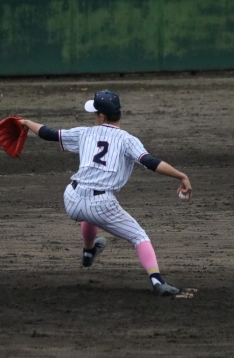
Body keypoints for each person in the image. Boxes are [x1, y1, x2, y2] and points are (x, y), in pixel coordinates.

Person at [19, 90, 193, 296]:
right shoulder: (127, 140)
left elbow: (48, 133)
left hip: (72, 199)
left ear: (102, 116)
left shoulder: (85, 133)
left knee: (89, 215)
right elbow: (150, 162)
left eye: (95, 113)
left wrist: (26, 122)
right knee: (138, 236)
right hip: (101, 204)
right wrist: (181, 176)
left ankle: (89, 251)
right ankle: (157, 280)